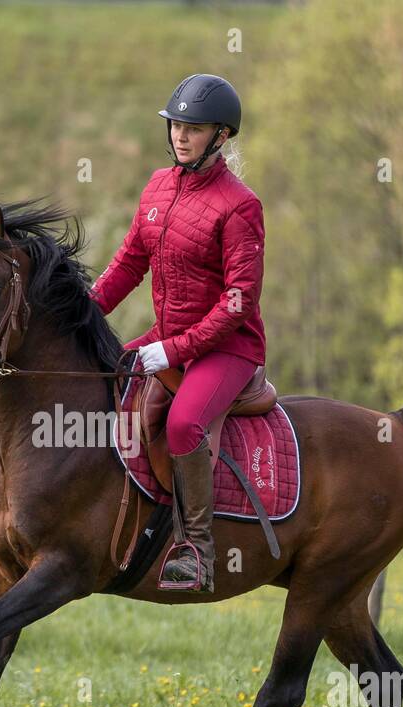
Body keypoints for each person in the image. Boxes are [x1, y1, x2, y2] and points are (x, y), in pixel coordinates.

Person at [89, 73, 267, 593]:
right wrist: (82, 311)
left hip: (227, 347)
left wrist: (171, 348)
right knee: (108, 374)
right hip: (170, 335)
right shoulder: (158, 186)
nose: (180, 136)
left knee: (186, 423)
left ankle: (196, 549)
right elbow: (128, 263)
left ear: (222, 135)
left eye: (193, 128)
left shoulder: (241, 206)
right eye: (176, 126)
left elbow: (238, 304)